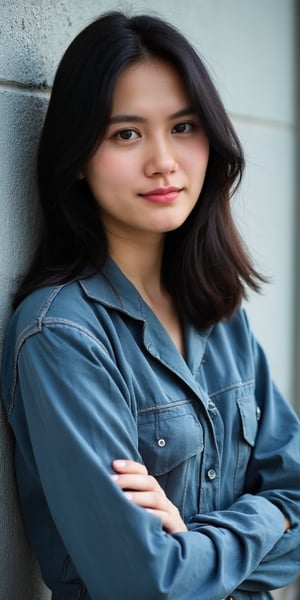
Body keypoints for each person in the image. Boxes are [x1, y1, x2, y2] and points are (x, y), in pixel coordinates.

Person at [1, 10, 300, 600]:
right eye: (127, 133)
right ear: (78, 157)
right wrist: (271, 520)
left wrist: (191, 537)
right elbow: (146, 583)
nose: (163, 160)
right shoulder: (61, 336)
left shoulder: (218, 311)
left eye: (184, 126)